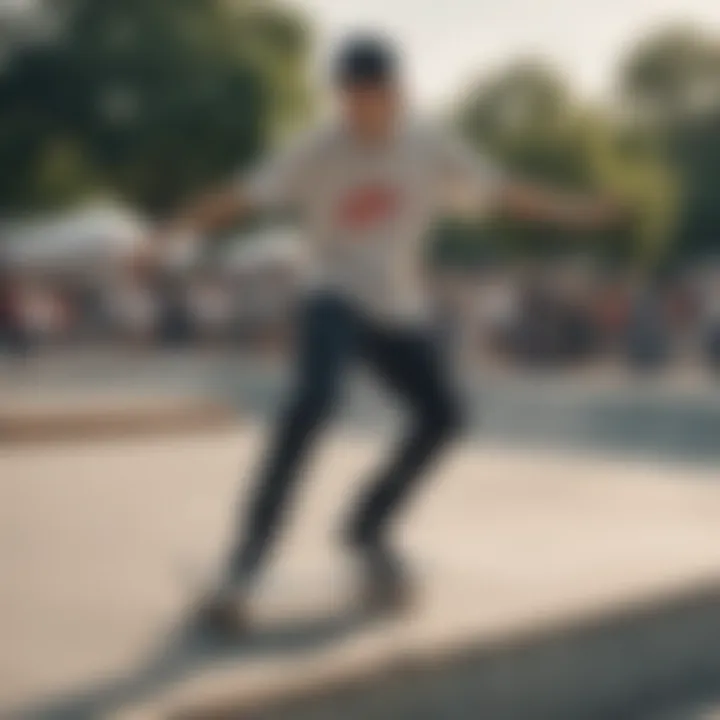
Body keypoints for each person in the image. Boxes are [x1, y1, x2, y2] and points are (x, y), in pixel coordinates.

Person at [138, 33, 619, 625]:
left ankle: (366, 530)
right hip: (332, 295)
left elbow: (506, 194)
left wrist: (582, 211)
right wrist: (164, 237)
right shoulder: (316, 148)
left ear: (397, 94)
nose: (362, 113)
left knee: (445, 418)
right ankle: (248, 557)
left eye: (374, 99)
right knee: (314, 402)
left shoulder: (431, 144)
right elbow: (236, 198)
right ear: (340, 97)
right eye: (352, 100)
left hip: (397, 309)